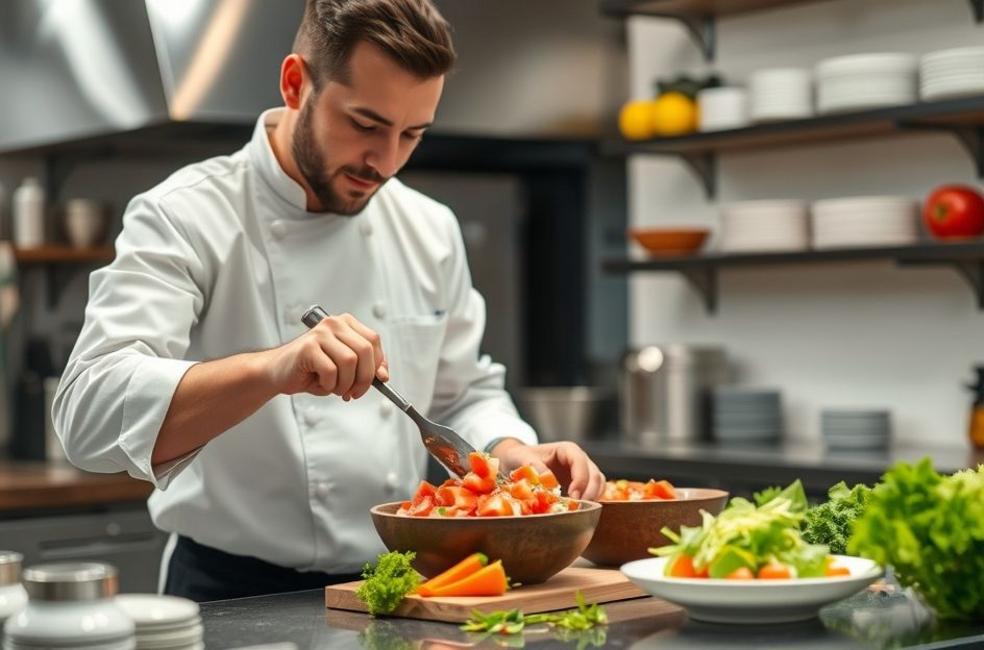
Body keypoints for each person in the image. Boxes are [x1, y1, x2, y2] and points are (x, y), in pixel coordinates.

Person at [53, 0, 605, 602]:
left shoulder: (429, 228)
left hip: (389, 586)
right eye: (366, 125)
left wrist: (510, 451)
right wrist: (274, 369)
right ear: (295, 84)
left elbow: (460, 392)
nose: (386, 162)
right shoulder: (184, 214)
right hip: (226, 592)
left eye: (411, 135)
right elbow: (89, 413)